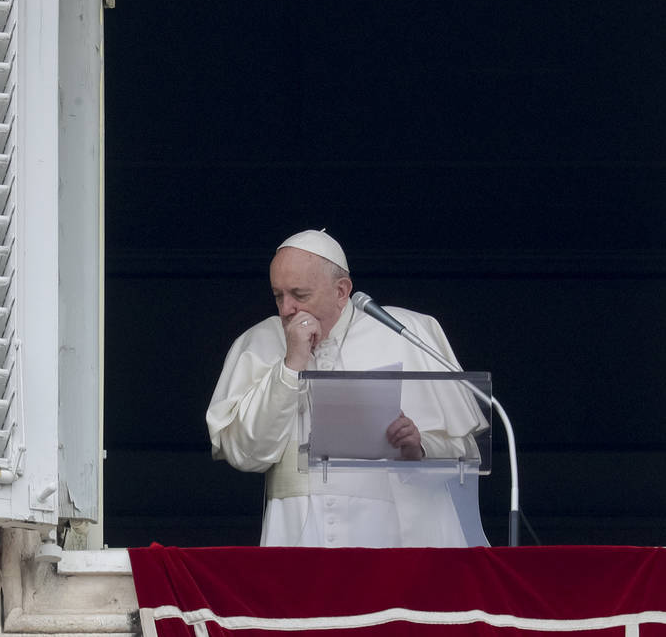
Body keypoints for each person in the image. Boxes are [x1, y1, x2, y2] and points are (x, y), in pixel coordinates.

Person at [206, 229, 487, 547]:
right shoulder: (257, 343)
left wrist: (418, 449)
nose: (286, 309)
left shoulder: (406, 333)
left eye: (299, 295)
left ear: (341, 291)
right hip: (298, 534)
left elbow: (463, 451)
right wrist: (289, 366)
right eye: (278, 295)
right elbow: (246, 454)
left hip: (393, 534)